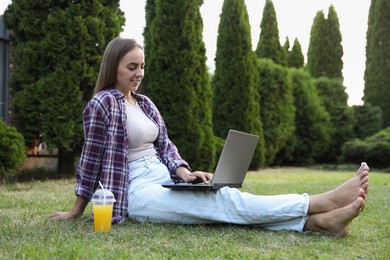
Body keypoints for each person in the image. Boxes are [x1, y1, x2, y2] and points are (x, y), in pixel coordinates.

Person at [49, 37, 369, 237]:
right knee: (221, 202)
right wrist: (77, 209)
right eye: (132, 66)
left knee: (217, 201)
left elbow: (166, 147)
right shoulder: (101, 103)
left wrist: (186, 174)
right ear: (113, 66)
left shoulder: (144, 103)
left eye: (142, 66)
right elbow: (91, 158)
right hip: (133, 190)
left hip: (161, 179)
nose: (139, 73)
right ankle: (318, 203)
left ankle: (317, 224)